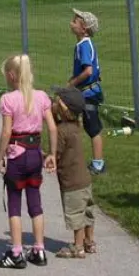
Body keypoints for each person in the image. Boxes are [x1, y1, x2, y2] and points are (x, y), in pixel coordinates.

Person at [0, 54, 57, 269]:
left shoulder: (8, 99)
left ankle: (16, 252)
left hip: (17, 155)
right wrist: (52, 154)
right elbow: (52, 127)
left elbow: (6, 132)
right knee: (35, 202)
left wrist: (0, 156)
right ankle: (39, 249)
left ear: (11, 76)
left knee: (14, 203)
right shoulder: (41, 97)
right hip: (35, 154)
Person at [52, 86, 96, 258]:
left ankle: (77, 247)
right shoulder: (76, 126)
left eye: (56, 101)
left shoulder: (62, 131)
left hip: (71, 183)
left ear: (63, 109)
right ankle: (89, 241)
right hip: (84, 180)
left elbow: (56, 154)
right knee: (88, 212)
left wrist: (44, 157)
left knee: (76, 215)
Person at [68, 8, 105, 174]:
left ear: (83, 28)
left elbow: (88, 71)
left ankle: (98, 164)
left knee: (93, 128)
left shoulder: (84, 45)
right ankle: (70, 155)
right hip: (83, 92)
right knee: (69, 120)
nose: (71, 22)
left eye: (75, 21)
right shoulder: (83, 44)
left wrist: (72, 83)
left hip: (88, 94)